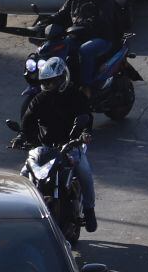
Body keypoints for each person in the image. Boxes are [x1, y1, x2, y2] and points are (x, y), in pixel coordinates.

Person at [16, 56, 96, 231]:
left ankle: (89, 210)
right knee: (22, 175)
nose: (49, 85)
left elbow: (86, 116)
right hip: (45, 149)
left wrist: (84, 133)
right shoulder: (39, 99)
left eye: (53, 81)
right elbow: (28, 121)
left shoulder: (75, 95)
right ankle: (20, 215)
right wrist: (22, 137)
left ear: (62, 78)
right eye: (47, 82)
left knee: (84, 172)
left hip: (70, 146)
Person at [43, 0, 128, 92]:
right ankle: (62, 79)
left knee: (85, 50)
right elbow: (61, 14)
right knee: (59, 46)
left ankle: (85, 86)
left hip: (101, 37)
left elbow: (104, 22)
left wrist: (86, 26)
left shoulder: (103, 0)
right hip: (78, 35)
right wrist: (46, 21)